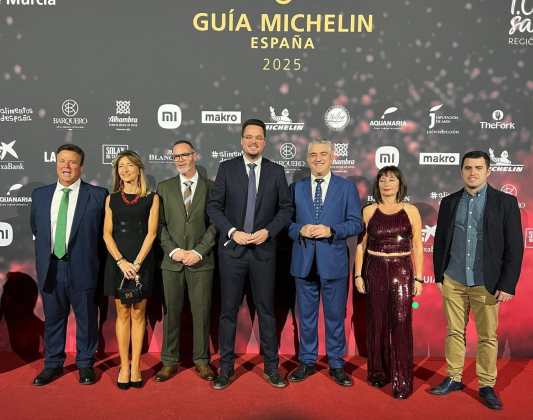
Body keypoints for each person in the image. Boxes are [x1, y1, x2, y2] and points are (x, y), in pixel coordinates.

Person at [429, 151, 523, 410]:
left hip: (487, 282)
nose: (473, 172)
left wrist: (507, 284)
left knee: (487, 337)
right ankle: (454, 378)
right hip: (454, 279)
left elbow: (515, 247)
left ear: (488, 171)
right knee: (454, 332)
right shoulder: (449, 202)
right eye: (468, 167)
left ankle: (486, 385)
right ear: (461, 171)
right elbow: (440, 242)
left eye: (478, 168)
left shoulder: (505, 202)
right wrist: (439, 275)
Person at [207, 118, 293, 390]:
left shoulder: (276, 171)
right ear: (242, 140)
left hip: (263, 253)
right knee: (228, 312)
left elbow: (286, 209)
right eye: (249, 137)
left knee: (266, 312)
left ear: (264, 142)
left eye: (258, 137)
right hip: (232, 252)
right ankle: (225, 369)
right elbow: (214, 207)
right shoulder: (227, 168)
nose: (253, 141)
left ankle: (271, 368)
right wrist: (232, 231)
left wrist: (269, 231)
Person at [30, 144, 107, 386]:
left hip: (84, 268)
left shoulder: (98, 195)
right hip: (52, 268)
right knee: (53, 319)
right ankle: (52, 364)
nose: (66, 166)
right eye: (62, 160)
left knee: (87, 320)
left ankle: (85, 364)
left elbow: (103, 235)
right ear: (56, 163)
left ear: (81, 166)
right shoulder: (40, 195)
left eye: (72, 162)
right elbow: (37, 229)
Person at [288, 140, 363, 387]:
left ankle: (337, 363)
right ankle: (307, 361)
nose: (318, 158)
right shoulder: (295, 188)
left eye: (323, 154)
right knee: (306, 317)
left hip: (334, 263)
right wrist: (300, 229)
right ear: (307, 159)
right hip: (303, 263)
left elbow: (356, 223)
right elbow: (285, 222)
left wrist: (332, 230)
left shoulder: (346, 188)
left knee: (335, 316)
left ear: (332, 158)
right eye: (313, 154)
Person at [354, 166, 423, 399]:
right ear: (378, 185)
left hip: (401, 270)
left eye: (391, 179)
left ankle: (402, 380)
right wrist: (358, 275)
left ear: (399, 184)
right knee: (376, 322)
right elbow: (361, 246)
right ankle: (377, 373)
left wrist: (419, 277)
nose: (387, 184)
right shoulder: (368, 211)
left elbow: (418, 246)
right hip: (374, 269)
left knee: (401, 323)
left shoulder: (410, 210)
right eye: (382, 180)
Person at [154, 140, 217, 383]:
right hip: (172, 262)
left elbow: (215, 224)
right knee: (171, 313)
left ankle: (201, 360)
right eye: (176, 156)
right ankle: (169, 361)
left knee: (201, 313)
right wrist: (173, 251)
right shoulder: (164, 187)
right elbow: (159, 225)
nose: (180, 160)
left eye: (184, 155)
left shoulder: (211, 187)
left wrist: (199, 251)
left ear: (195, 156)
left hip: (201, 261)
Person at [102, 150, 158, 389]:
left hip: (142, 262)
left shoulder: (152, 198)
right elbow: (107, 234)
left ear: (138, 169)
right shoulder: (111, 199)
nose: (124, 170)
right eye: (120, 166)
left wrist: (136, 264)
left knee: (138, 314)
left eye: (129, 165)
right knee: (123, 313)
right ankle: (124, 366)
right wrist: (121, 262)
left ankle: (136, 366)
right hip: (118, 262)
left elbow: (151, 233)